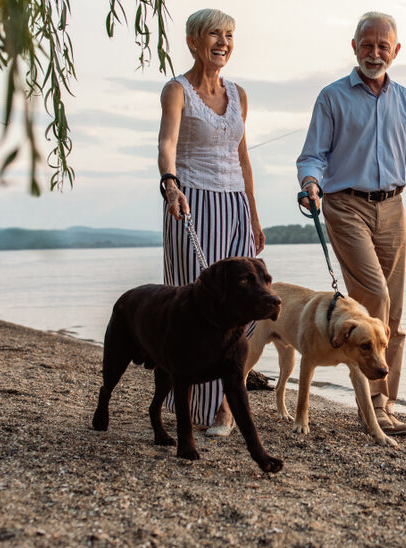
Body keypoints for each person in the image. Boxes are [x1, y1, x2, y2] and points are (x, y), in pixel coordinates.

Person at [296, 11, 406, 436]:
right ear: (354, 47)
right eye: (367, 44)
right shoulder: (332, 97)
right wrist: (310, 183)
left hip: (393, 208)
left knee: (393, 317)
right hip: (345, 205)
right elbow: (313, 155)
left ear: (396, 51)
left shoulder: (405, 100)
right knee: (376, 297)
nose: (375, 52)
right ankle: (375, 408)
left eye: (384, 46)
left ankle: (387, 401)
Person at [157, 8, 264, 437]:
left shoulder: (239, 94)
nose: (224, 42)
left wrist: (254, 213)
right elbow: (166, 142)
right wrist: (170, 184)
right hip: (192, 203)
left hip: (235, 206)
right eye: (215, 35)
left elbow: (242, 156)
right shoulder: (176, 90)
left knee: (247, 306)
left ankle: (221, 402)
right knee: (194, 307)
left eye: (230, 35)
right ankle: (194, 406)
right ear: (194, 42)